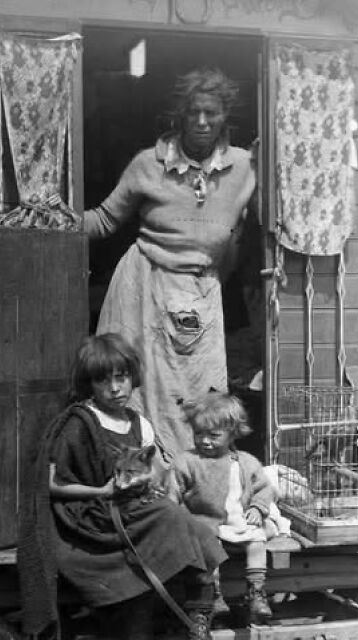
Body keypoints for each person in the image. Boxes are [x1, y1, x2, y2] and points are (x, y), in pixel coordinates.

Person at [18, 334, 227, 640]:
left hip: (132, 509)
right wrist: (102, 491)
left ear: (132, 378)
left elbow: (153, 469)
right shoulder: (79, 424)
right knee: (164, 528)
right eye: (104, 380)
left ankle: (198, 630)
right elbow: (50, 484)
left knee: (196, 532)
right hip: (90, 517)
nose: (115, 388)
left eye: (122, 377)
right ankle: (138, 631)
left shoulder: (138, 423)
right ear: (90, 384)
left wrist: (153, 482)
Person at [85, 67, 256, 456]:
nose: (201, 121)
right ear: (180, 114)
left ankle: (198, 486)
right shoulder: (148, 163)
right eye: (193, 111)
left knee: (203, 390)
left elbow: (260, 224)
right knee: (136, 392)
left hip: (200, 291)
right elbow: (105, 219)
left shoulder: (245, 167)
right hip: (144, 286)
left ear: (225, 116)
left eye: (211, 113)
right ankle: (139, 484)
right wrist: (54, 220)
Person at [175, 392, 285, 624]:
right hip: (206, 524)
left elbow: (264, 489)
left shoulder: (246, 461)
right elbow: (171, 494)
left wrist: (257, 507)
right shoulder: (187, 461)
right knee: (208, 550)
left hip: (239, 523)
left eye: (214, 436)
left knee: (257, 542)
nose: (205, 441)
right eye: (198, 434)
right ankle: (215, 596)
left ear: (233, 433)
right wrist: (183, 519)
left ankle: (256, 592)